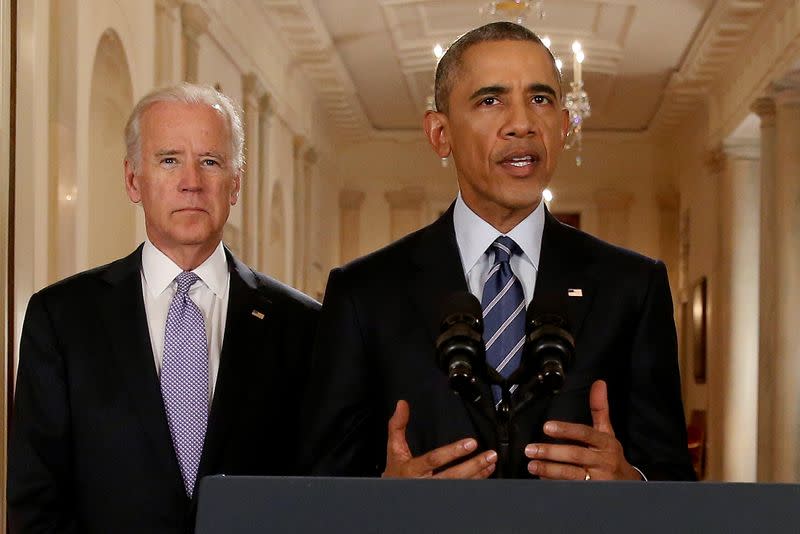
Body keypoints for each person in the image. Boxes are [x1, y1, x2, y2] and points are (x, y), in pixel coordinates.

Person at [301, 22, 695, 482]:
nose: (522, 124)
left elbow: (673, 482)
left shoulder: (634, 287)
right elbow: (317, 488)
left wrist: (633, 485)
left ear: (564, 126)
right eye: (491, 100)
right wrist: (382, 502)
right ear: (440, 133)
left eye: (540, 99)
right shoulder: (362, 294)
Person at [8, 83, 320, 533]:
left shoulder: (303, 327)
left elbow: (316, 491)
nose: (191, 182)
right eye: (169, 159)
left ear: (235, 184)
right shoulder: (61, 319)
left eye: (210, 162)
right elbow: (35, 501)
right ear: (134, 180)